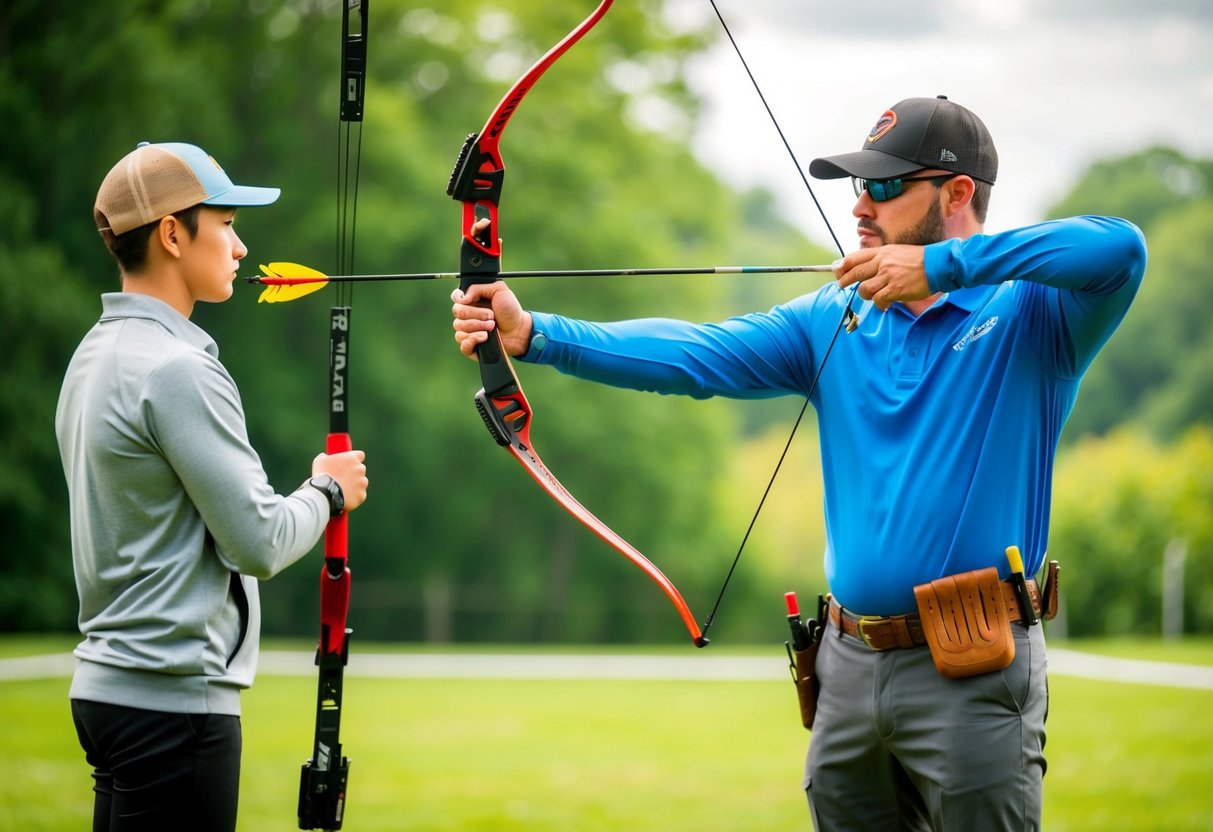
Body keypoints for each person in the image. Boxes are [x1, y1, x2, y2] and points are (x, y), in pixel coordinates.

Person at [452, 96, 1147, 830]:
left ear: (956, 193)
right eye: (856, 187)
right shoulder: (833, 319)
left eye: (883, 187)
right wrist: (535, 334)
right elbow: (695, 354)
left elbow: (1118, 249)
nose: (860, 206)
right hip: (846, 666)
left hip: (971, 666)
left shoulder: (1032, 314)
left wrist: (940, 268)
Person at [56, 141, 370, 832]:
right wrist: (327, 489)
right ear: (172, 233)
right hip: (172, 705)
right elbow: (258, 541)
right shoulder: (177, 369)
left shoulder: (95, 354)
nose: (239, 244)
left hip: (110, 695)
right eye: (225, 223)